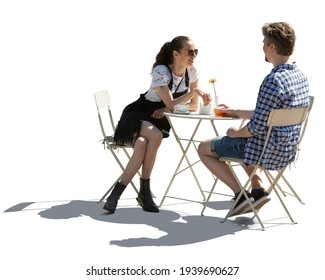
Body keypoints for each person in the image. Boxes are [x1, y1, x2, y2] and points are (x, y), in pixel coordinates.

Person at [198, 22, 309, 216]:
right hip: (286, 149)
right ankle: (258, 190)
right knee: (246, 140)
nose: (263, 46)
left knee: (204, 148)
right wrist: (237, 111)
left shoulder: (273, 80)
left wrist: (235, 133)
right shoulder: (300, 76)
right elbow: (271, 115)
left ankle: (240, 195)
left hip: (264, 150)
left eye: (265, 42)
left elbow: (255, 128)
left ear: (272, 47)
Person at [103, 35, 211, 214]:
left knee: (142, 143)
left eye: (196, 52)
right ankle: (143, 193)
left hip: (159, 116)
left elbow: (191, 106)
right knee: (156, 135)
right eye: (190, 52)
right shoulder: (161, 71)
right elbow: (172, 103)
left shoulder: (191, 71)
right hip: (138, 113)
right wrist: (192, 93)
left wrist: (169, 107)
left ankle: (119, 194)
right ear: (176, 54)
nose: (194, 56)